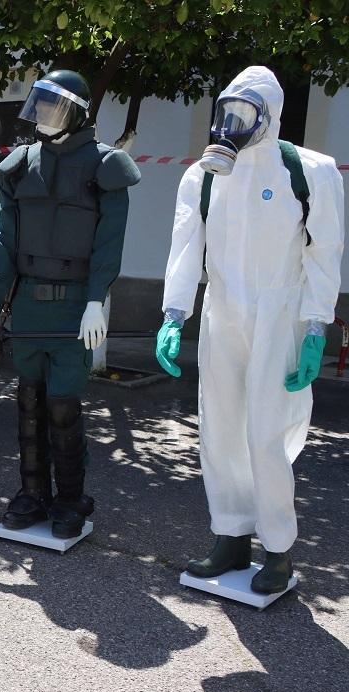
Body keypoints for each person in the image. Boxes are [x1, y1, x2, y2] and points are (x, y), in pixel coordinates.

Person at [157, 66, 344, 594]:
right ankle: (230, 536)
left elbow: (324, 251)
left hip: (279, 314)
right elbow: (185, 246)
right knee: (219, 430)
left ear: (271, 114)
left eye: (246, 113)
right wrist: (174, 315)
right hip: (223, 312)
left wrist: (315, 326)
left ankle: (278, 549)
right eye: (227, 112)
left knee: (266, 435)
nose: (233, 125)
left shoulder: (309, 170)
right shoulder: (204, 175)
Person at [0, 69, 141, 538]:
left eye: (52, 107)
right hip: (27, 304)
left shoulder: (105, 166)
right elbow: (1, 239)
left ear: (76, 112)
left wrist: (96, 302)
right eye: (39, 105)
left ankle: (70, 499)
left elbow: (109, 243)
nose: (42, 116)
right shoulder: (20, 164)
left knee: (63, 407)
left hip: (73, 307)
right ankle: (32, 494)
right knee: (28, 403)